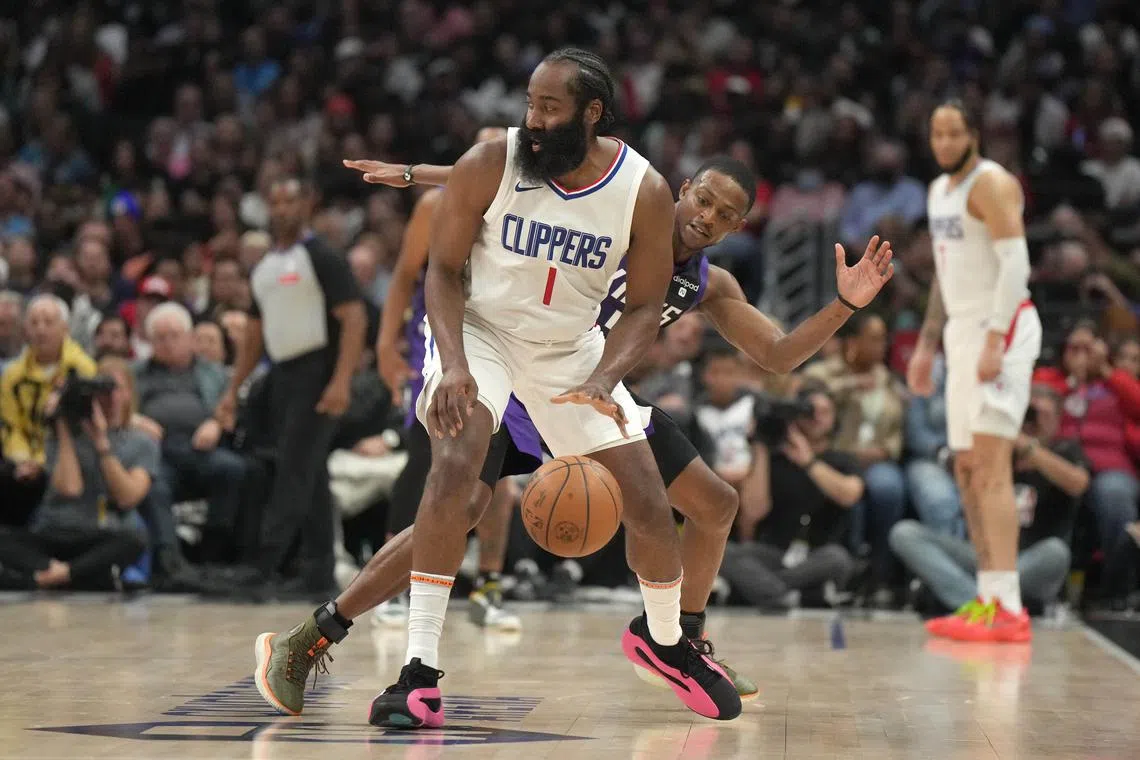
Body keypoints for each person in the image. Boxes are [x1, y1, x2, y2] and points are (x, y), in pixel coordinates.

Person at [255, 144, 892, 718]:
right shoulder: (623, 214)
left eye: (726, 215)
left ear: (736, 228)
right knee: (456, 513)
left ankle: (678, 641)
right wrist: (416, 173)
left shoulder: (707, 283)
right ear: (683, 189)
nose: (708, 217)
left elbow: (778, 355)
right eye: (704, 199)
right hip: (518, 375)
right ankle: (316, 633)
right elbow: (522, 179)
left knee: (715, 503)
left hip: (589, 387)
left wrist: (847, 305)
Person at [365, 126, 531, 634]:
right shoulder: (435, 205)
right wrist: (385, 345)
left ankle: (487, 585)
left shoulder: (530, 210)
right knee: (429, 454)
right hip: (440, 333)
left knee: (499, 466)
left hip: (505, 339)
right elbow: (405, 275)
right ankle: (395, 586)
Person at [907, 100, 1042, 643]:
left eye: (953, 133)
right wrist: (926, 344)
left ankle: (1010, 606)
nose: (943, 142)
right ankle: (987, 600)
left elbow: (1017, 264)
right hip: (961, 333)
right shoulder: (938, 192)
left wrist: (993, 338)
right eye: (935, 133)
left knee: (990, 465)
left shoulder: (993, 183)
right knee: (965, 468)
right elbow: (945, 276)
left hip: (1000, 327)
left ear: (973, 135)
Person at [215, 177, 367, 594]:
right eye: (276, 202)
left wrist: (341, 381)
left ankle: (264, 566)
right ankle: (319, 572)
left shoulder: (322, 257)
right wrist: (232, 390)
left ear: (307, 205)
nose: (281, 209)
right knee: (309, 473)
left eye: (290, 201)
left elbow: (354, 318)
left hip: (317, 373)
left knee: (293, 472)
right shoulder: (265, 267)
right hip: (281, 376)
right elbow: (253, 334)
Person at [890, 385, 1086, 614]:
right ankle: (976, 601)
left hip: (1030, 560)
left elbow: (1078, 483)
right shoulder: (997, 452)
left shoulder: (1065, 450)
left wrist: (1027, 446)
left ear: (1057, 419)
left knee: (1056, 552)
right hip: (983, 557)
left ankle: (978, 599)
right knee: (904, 533)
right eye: (1027, 411)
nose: (1031, 418)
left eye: (1041, 413)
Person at [0, 357, 154, 589]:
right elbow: (70, 489)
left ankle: (54, 576)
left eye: (116, 389)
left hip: (100, 536)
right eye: (102, 391)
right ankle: (73, 574)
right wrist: (62, 424)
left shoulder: (141, 442)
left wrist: (101, 444)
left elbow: (128, 497)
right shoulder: (62, 435)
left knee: (135, 539)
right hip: (53, 531)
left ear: (129, 393)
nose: (110, 397)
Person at [725, 383, 862, 607]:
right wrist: (760, 445)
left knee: (837, 558)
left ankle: (763, 590)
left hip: (819, 554)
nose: (816, 417)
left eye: (825, 412)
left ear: (835, 418)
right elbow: (754, 510)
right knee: (726, 553)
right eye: (810, 410)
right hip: (775, 552)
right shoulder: (773, 459)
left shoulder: (843, 460)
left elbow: (849, 495)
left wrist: (808, 462)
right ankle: (804, 596)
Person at [1, 294, 97, 527]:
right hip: (24, 457)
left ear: (65, 328)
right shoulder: (12, 374)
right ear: (25, 330)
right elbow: (10, 426)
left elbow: (82, 427)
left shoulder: (83, 370)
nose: (41, 330)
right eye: (34, 323)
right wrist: (23, 458)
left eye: (48, 322)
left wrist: (42, 462)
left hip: (69, 454)